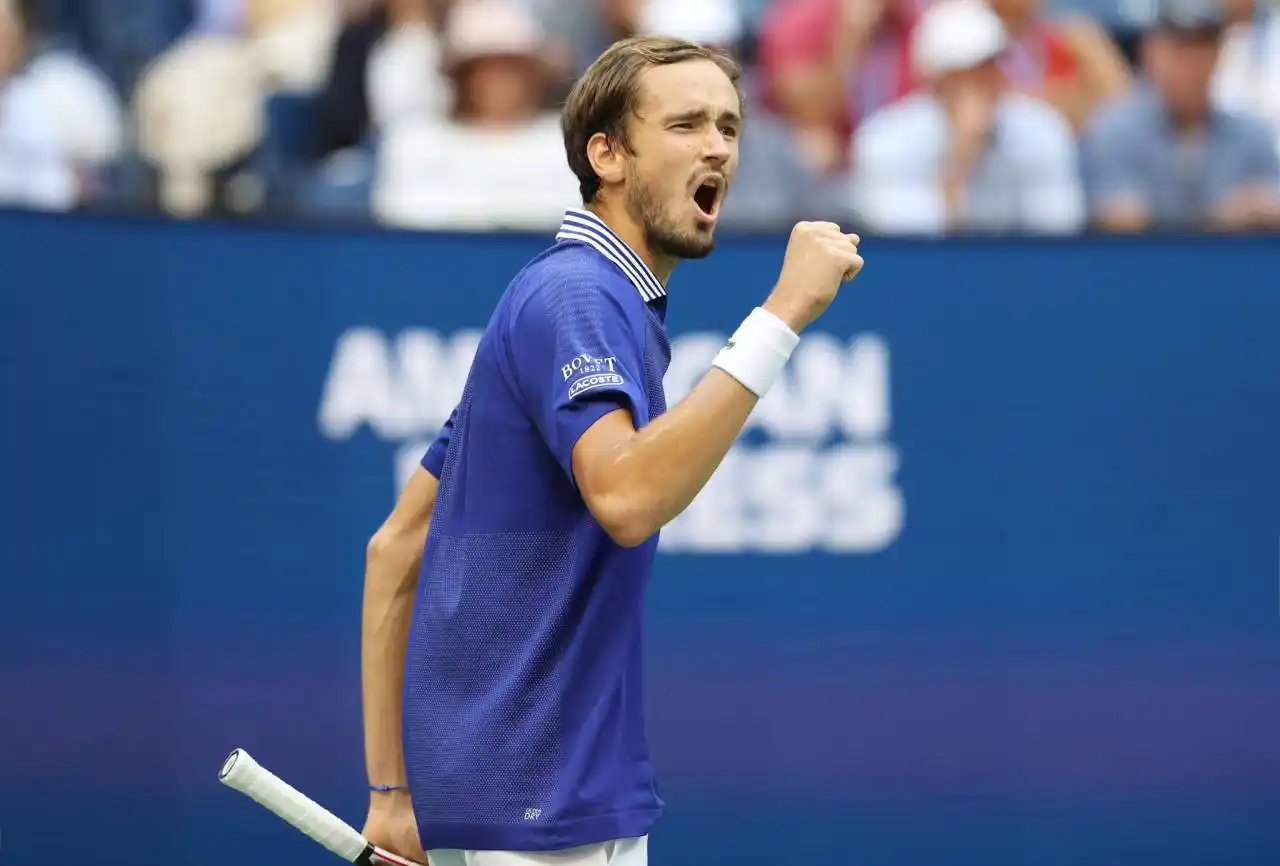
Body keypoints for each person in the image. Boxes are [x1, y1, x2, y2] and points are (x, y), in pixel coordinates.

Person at [357, 34, 865, 866]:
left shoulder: (569, 299)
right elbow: (627, 498)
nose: (718, 148)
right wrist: (779, 317)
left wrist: (392, 795)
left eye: (730, 128)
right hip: (544, 813)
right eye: (687, 124)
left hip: (521, 806)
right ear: (608, 154)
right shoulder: (577, 295)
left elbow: (396, 547)